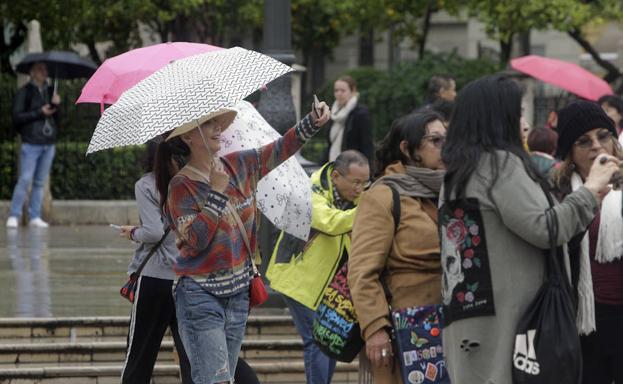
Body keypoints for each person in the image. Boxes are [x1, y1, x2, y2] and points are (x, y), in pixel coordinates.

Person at [439, 75, 619, 384]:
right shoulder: (498, 166)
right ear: (499, 118)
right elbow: (546, 228)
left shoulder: (458, 173)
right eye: (516, 111)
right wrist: (590, 191)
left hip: (471, 319)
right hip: (516, 326)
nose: (522, 121)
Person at [155, 102, 331, 384]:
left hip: (238, 292)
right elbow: (197, 240)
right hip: (200, 295)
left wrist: (312, 121)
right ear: (188, 136)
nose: (218, 129)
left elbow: (278, 150)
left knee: (228, 379)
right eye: (209, 124)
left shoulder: (239, 164)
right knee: (214, 380)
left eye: (217, 123)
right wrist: (215, 192)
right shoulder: (181, 187)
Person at [348, 111, 447, 384]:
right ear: (407, 148)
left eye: (447, 140)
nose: (445, 148)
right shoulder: (383, 195)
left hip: (449, 326)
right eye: (435, 141)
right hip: (404, 330)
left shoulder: (448, 193)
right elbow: (362, 272)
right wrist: (376, 329)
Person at [265, 149, 370, 384]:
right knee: (316, 340)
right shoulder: (309, 192)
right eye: (355, 182)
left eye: (365, 183)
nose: (360, 189)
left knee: (327, 340)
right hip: (297, 281)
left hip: (327, 286)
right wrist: (372, 207)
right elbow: (331, 222)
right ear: (336, 176)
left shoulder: (355, 199)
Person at [552, 100, 623, 384]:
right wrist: (589, 198)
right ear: (569, 151)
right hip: (584, 320)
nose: (596, 146)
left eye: (603, 136)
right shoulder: (558, 193)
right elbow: (558, 250)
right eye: (584, 141)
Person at [117, 140, 193, 384]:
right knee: (192, 359)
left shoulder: (147, 184)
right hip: (186, 279)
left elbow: (152, 233)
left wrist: (132, 233)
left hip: (155, 280)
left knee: (139, 358)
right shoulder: (192, 183)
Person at [6, 62, 60, 228]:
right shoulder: (24, 91)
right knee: (25, 179)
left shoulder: (51, 91)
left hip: (48, 142)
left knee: (39, 182)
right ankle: (14, 215)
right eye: (40, 69)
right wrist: (39, 112)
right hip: (31, 142)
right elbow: (17, 117)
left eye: (45, 69)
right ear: (32, 72)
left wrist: (57, 105)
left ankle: (34, 216)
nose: (44, 72)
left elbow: (57, 119)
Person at [326, 76, 374, 164]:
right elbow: (330, 145)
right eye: (336, 90)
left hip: (353, 166)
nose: (339, 93)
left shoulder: (360, 113)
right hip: (333, 164)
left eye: (343, 90)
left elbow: (366, 144)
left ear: (353, 92)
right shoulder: (333, 113)